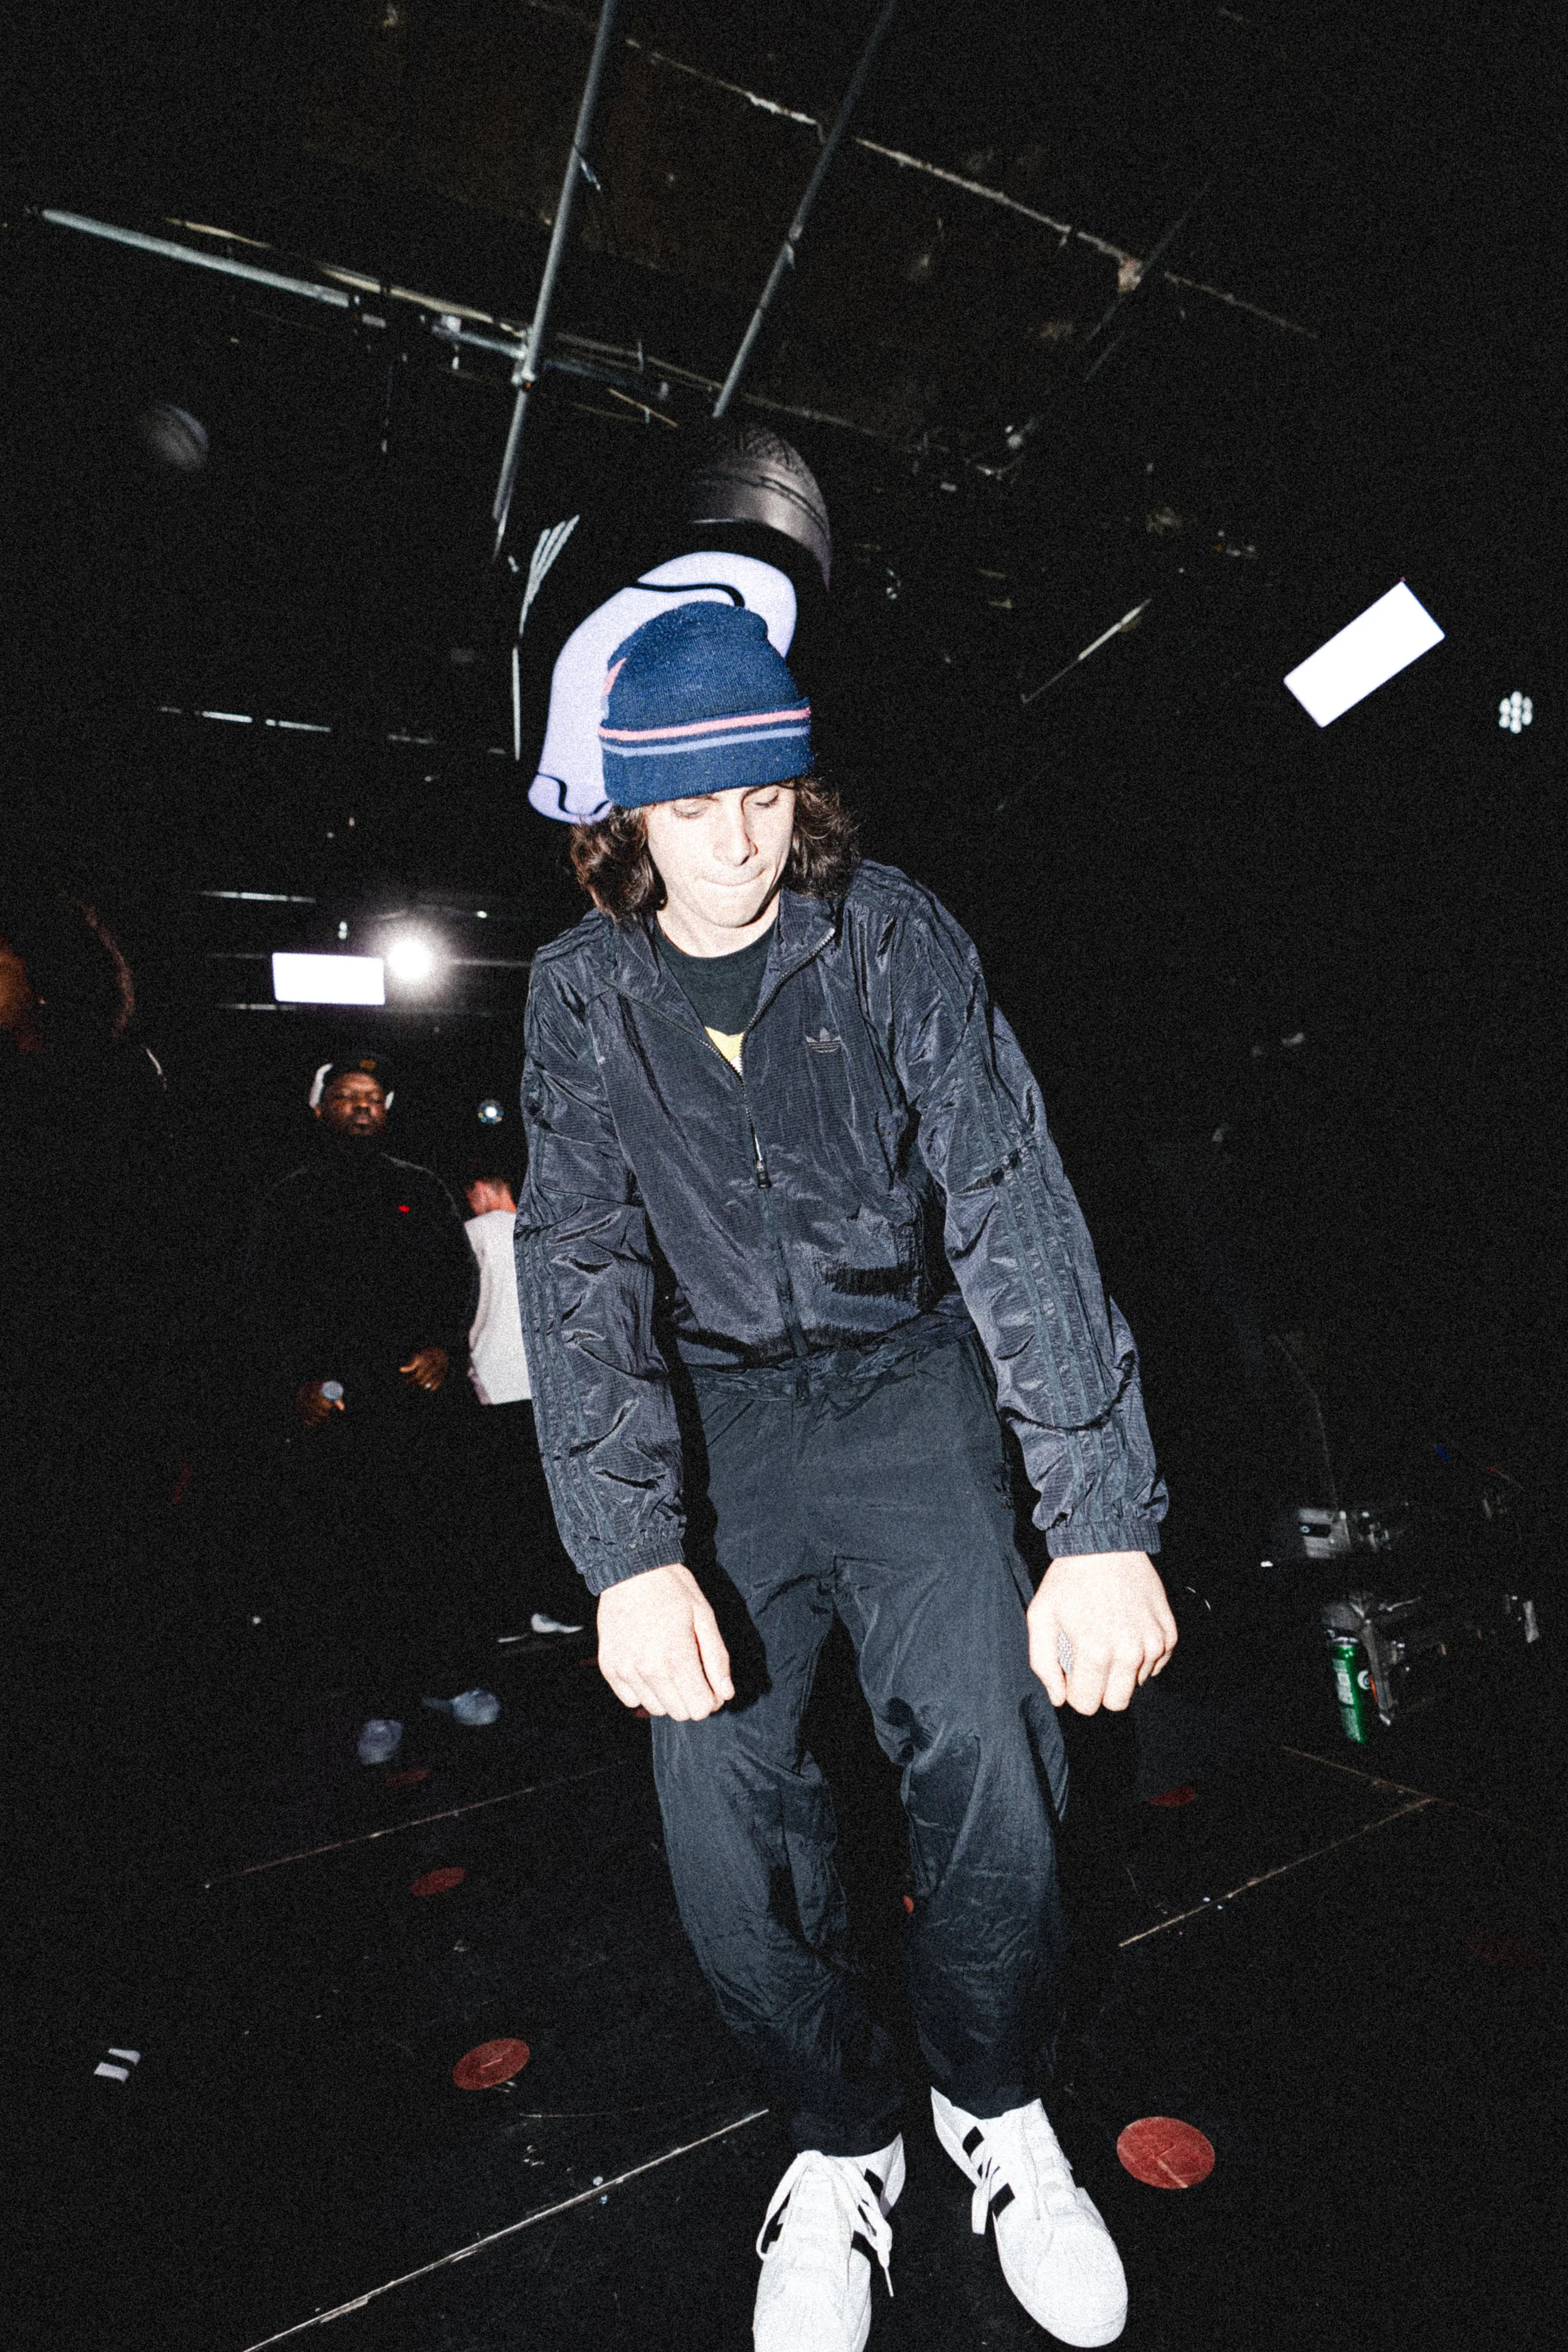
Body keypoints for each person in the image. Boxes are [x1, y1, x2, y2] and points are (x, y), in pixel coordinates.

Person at [515, 602, 1176, 2350]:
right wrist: (628, 1550)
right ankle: (838, 2135)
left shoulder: (889, 938)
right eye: (687, 807)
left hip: (905, 1381)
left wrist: (1095, 1517)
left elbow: (1010, 1197)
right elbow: (575, 1269)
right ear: (624, 825)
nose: (732, 840)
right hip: (721, 1412)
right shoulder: (579, 995)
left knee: (995, 1751)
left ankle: (989, 2098)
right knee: (719, 1811)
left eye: (759, 794)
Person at [242, 1053, 488, 1764]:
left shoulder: (420, 1186)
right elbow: (265, 1303)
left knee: (440, 1547)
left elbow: (458, 1277)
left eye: (373, 1097)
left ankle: (454, 1680)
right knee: (360, 1562)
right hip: (342, 1415)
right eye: (347, 1096)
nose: (361, 1107)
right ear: (320, 1110)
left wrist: (446, 1348)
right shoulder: (290, 1196)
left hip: (422, 1404)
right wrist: (295, 1385)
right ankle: (383, 1705)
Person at [462, 1164, 583, 1638]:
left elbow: (464, 1308)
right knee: (554, 1504)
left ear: (483, 1189)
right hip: (553, 1387)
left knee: (503, 1510)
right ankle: (563, 1604)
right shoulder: (547, 1231)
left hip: (495, 1387)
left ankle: (511, 1615)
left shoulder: (472, 1234)